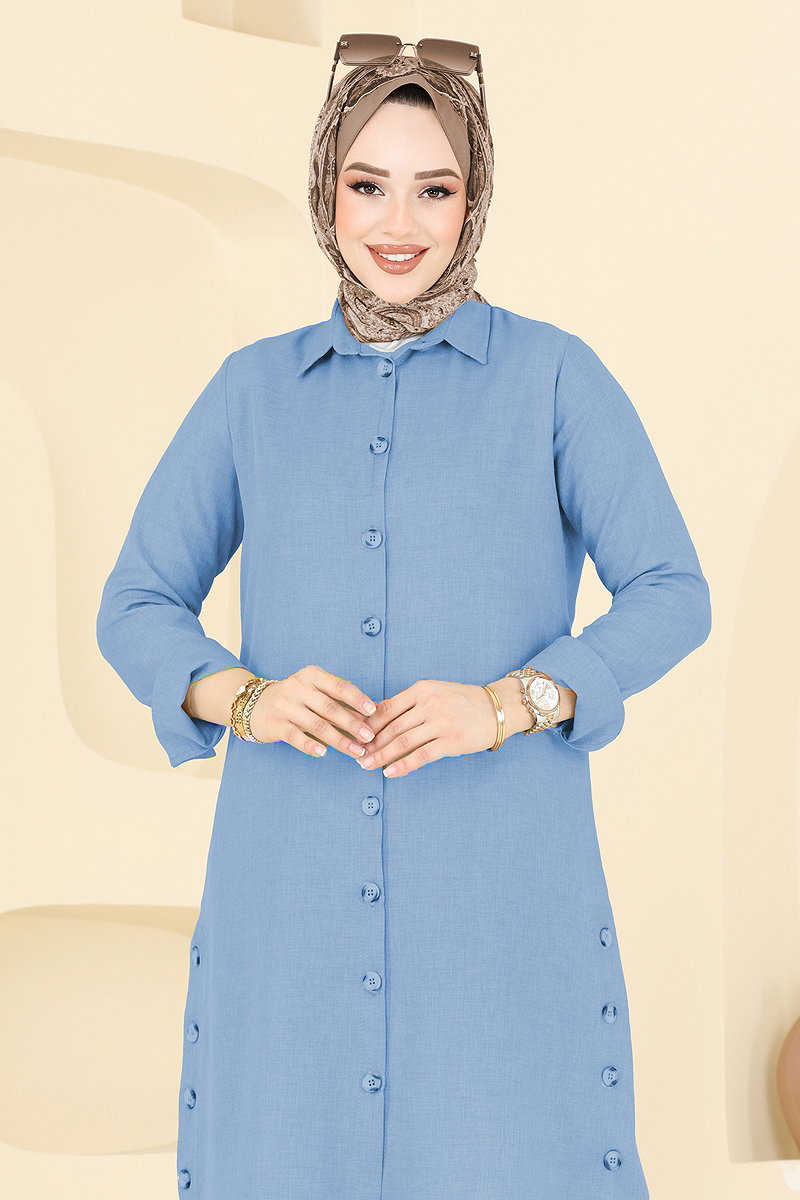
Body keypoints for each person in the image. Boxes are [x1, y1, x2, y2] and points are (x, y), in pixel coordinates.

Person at [96, 35, 712, 1200]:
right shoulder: (250, 391)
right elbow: (135, 602)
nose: (397, 223)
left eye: (433, 188)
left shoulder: (552, 377)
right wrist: (245, 698)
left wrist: (513, 702)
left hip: (497, 892)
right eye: (366, 184)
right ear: (324, 189)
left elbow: (670, 590)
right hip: (290, 890)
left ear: (473, 198)